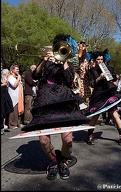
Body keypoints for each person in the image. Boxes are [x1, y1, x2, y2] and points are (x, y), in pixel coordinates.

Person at [22, 34, 89, 180]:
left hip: (63, 103)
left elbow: (70, 80)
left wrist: (64, 62)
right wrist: (44, 61)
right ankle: (53, 161)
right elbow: (35, 75)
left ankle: (63, 160)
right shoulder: (47, 61)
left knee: (68, 141)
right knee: (44, 141)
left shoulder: (69, 65)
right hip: (45, 103)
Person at [85, 51, 121, 146]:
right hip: (98, 94)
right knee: (95, 115)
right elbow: (92, 84)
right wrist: (99, 77)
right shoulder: (92, 71)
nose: (100, 61)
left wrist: (114, 78)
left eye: (102, 59)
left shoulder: (110, 68)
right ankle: (90, 135)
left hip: (109, 93)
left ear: (105, 60)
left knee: (114, 114)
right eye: (98, 59)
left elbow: (114, 80)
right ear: (95, 60)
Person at [7, 64, 24, 129]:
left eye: (18, 69)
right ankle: (12, 124)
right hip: (13, 95)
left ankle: (17, 123)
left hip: (18, 96)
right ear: (12, 70)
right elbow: (14, 85)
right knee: (13, 111)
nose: (18, 70)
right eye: (16, 69)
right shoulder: (10, 77)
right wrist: (19, 78)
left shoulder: (15, 77)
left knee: (17, 110)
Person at [1, 69, 14, 134]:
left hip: (5, 95)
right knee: (2, 111)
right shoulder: (2, 78)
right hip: (2, 95)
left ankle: (3, 125)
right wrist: (3, 84)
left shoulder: (5, 78)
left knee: (5, 110)